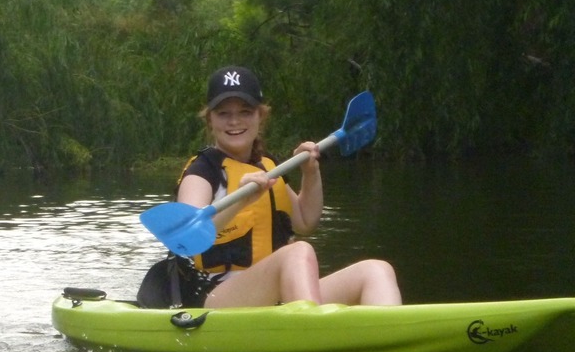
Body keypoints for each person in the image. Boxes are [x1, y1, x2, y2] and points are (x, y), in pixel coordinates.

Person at [140, 66, 401, 309]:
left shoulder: (268, 166)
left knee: (376, 270)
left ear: (260, 116)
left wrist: (310, 173)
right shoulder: (202, 171)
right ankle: (315, 335)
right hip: (216, 297)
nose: (234, 121)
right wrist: (240, 201)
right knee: (297, 252)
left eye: (245, 111)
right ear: (210, 120)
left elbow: (305, 221)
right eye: (224, 113)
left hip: (275, 297)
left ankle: (391, 338)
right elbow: (186, 240)